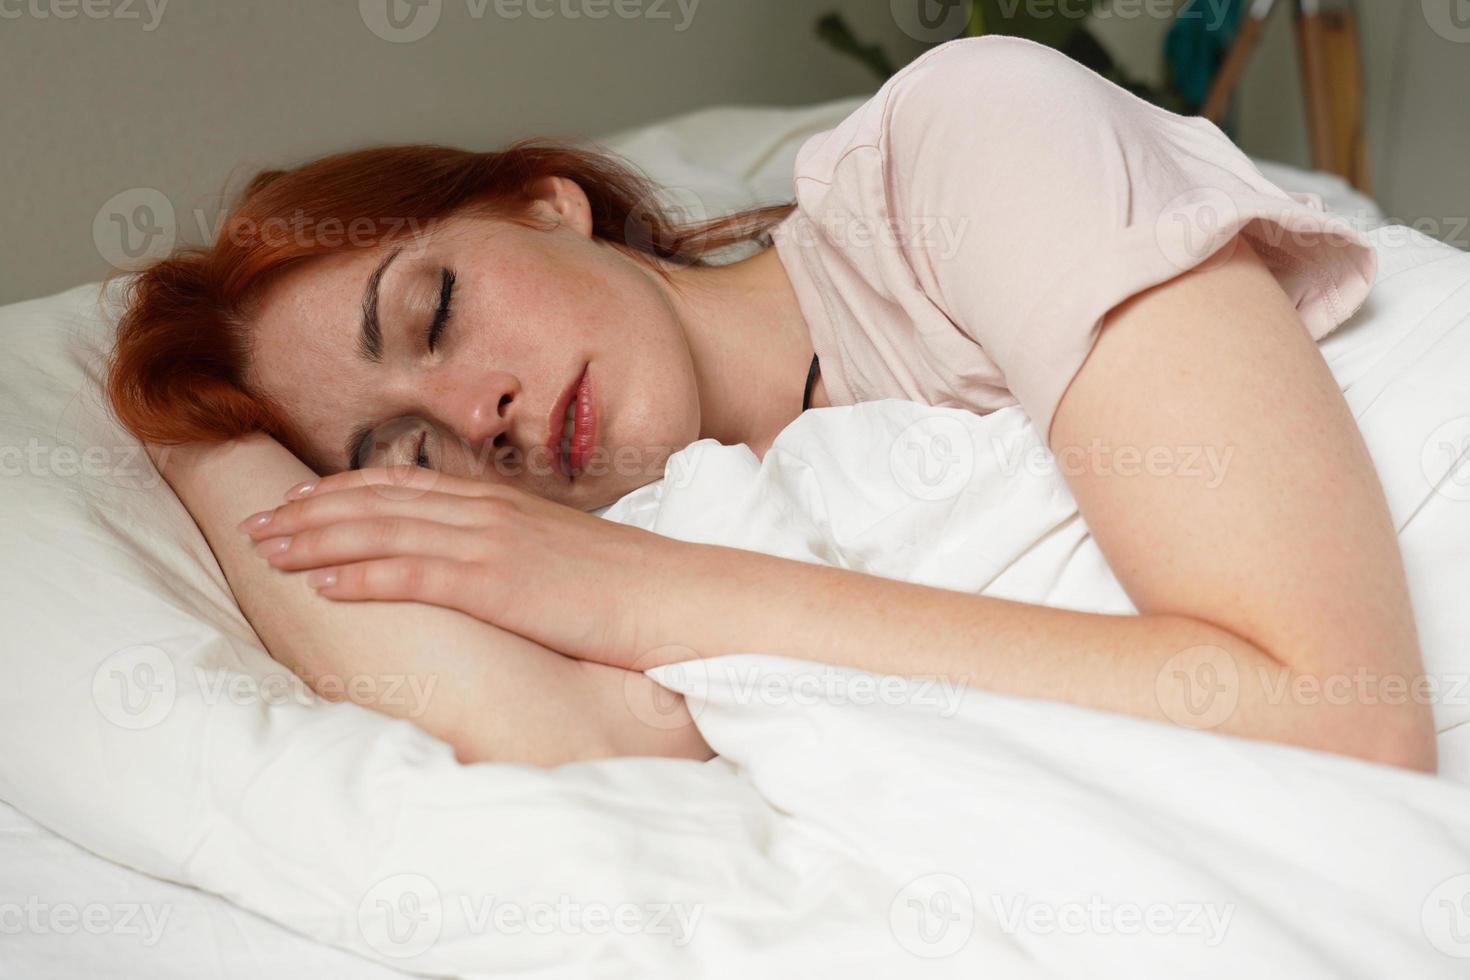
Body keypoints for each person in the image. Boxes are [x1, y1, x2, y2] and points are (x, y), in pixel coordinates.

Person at [107, 37, 1435, 772]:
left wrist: (648, 591)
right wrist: (198, 440)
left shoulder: (963, 145)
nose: (478, 416)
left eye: (434, 312)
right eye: (407, 452)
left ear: (539, 199)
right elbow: (561, 740)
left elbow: (1340, 713)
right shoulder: (674, 524)